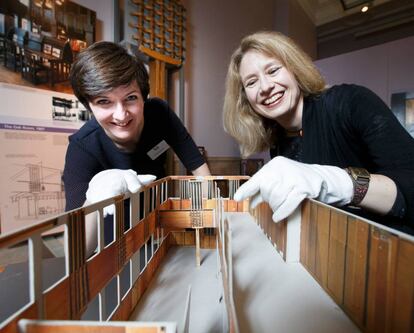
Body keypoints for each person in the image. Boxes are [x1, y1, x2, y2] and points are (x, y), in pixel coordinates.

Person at [223, 31, 414, 232]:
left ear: (294, 69)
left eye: (273, 71)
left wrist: (339, 183)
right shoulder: (279, 144)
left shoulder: (350, 102)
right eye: (251, 82)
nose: (265, 87)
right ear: (246, 99)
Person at [63, 41, 210, 254]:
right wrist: (92, 199)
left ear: (143, 96)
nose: (121, 115)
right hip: (112, 241)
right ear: (89, 106)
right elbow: (76, 251)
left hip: (159, 224)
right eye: (104, 102)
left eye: (130, 98)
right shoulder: (82, 148)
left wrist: (209, 221)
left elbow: (198, 167)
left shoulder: (159, 114)